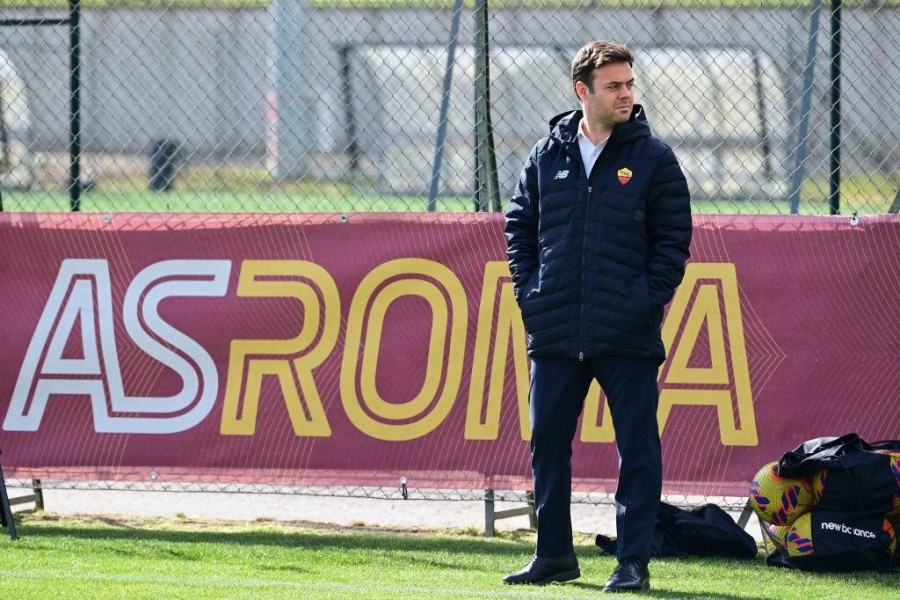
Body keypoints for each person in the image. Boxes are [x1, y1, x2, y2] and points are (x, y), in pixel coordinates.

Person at [502, 40, 692, 593]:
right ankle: (554, 556)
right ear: (583, 91)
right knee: (547, 445)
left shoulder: (654, 158)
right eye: (614, 85)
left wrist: (644, 301)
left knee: (637, 447)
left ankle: (632, 561)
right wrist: (532, 294)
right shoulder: (547, 154)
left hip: (625, 331)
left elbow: (673, 241)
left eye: (629, 83)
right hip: (556, 327)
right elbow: (519, 228)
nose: (626, 93)